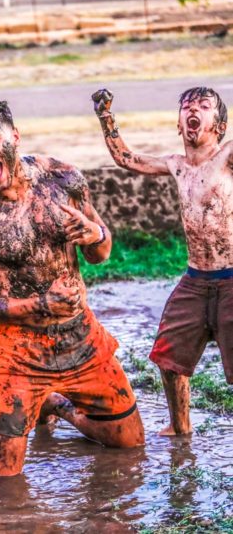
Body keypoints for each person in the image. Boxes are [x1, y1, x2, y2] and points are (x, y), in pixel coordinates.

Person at [0, 98, 145, 477]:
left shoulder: (62, 179)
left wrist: (95, 233)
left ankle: (56, 405)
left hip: (81, 339)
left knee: (130, 443)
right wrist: (39, 304)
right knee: (0, 474)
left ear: (15, 137)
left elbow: (100, 252)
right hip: (18, 352)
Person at [92, 86, 233, 436]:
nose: (192, 110)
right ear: (179, 122)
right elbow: (127, 159)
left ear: (219, 125)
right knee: (169, 359)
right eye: (186, 106)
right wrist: (105, 116)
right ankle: (180, 426)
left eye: (203, 106)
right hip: (196, 279)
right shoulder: (177, 165)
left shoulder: (228, 155)